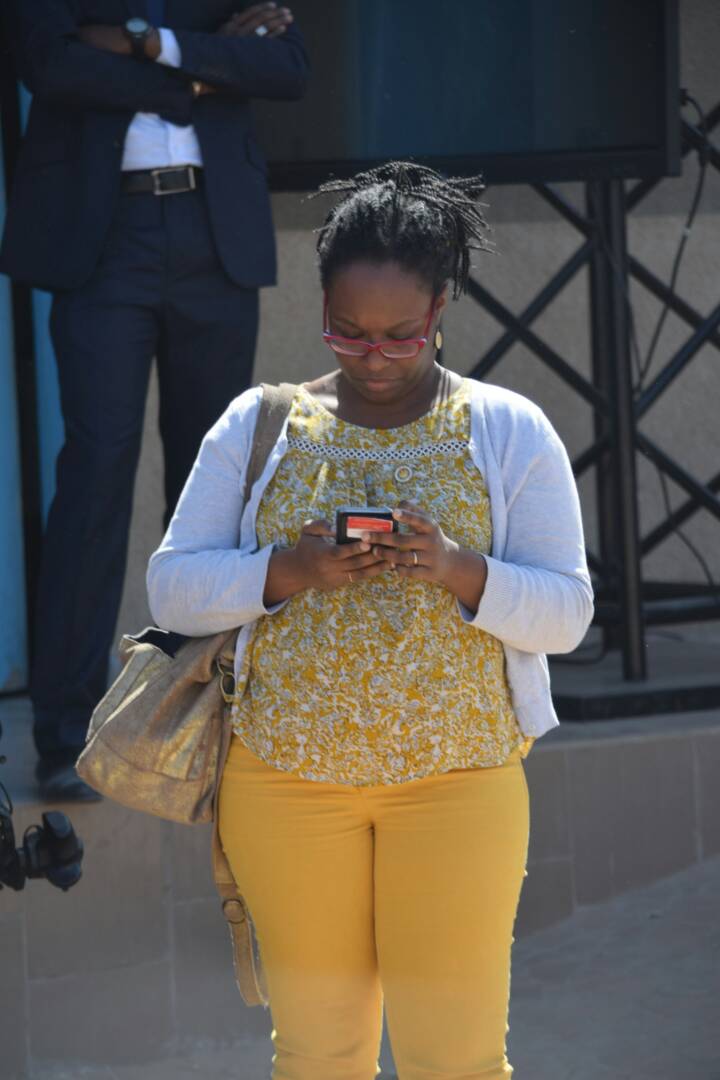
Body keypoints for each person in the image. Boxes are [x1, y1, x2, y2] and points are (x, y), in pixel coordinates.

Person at [146, 162, 594, 1080]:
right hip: (286, 784)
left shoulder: (508, 428)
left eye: (401, 336)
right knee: (317, 1059)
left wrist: (460, 570)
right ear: (321, 308)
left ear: (440, 312)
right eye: (348, 334)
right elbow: (172, 592)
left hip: (459, 782)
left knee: (458, 1060)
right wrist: (289, 570)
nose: (375, 356)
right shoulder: (258, 426)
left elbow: (570, 614)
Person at [0, 0, 308, 801]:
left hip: (215, 233)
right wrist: (199, 72)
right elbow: (53, 65)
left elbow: (283, 65)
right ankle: (68, 737)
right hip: (106, 242)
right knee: (96, 473)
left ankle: (203, 718)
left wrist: (149, 46)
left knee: (212, 494)